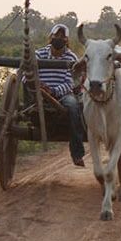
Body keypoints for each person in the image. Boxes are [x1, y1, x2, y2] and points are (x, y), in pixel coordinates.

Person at [34, 23, 85, 167]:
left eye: (63, 37)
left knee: (74, 107)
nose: (59, 38)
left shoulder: (71, 57)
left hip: (63, 96)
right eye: (57, 35)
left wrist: (54, 91)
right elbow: (28, 76)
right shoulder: (39, 54)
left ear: (67, 40)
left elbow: (71, 82)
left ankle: (77, 153)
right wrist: (39, 86)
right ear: (51, 37)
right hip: (40, 95)